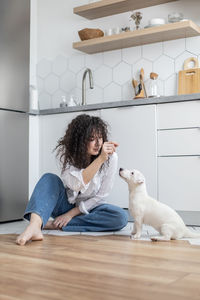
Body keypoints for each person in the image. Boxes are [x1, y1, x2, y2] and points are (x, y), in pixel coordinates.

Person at [16, 114, 128, 245]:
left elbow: (101, 196)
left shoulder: (111, 157)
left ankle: (53, 224)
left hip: (90, 209)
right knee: (49, 178)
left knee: (120, 217)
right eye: (92, 139)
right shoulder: (68, 156)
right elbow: (76, 185)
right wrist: (100, 160)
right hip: (66, 204)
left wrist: (70, 215)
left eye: (100, 138)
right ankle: (35, 226)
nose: (98, 144)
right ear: (80, 140)